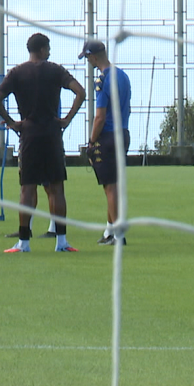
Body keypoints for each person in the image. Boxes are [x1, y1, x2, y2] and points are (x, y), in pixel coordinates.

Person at [0, 33, 86, 253]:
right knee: (56, 188)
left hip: (29, 134)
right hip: (52, 133)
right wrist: (67, 119)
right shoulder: (55, 70)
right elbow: (80, 92)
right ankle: (61, 241)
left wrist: (13, 123)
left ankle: (24, 242)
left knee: (27, 188)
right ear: (43, 50)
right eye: (48, 48)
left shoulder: (16, 72)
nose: (49, 52)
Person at [80, 40, 132, 245]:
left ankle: (118, 234)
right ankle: (110, 231)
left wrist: (91, 141)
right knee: (114, 186)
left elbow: (100, 117)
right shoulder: (123, 75)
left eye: (87, 57)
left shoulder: (102, 80)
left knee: (110, 188)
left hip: (108, 136)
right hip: (123, 133)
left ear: (92, 56)